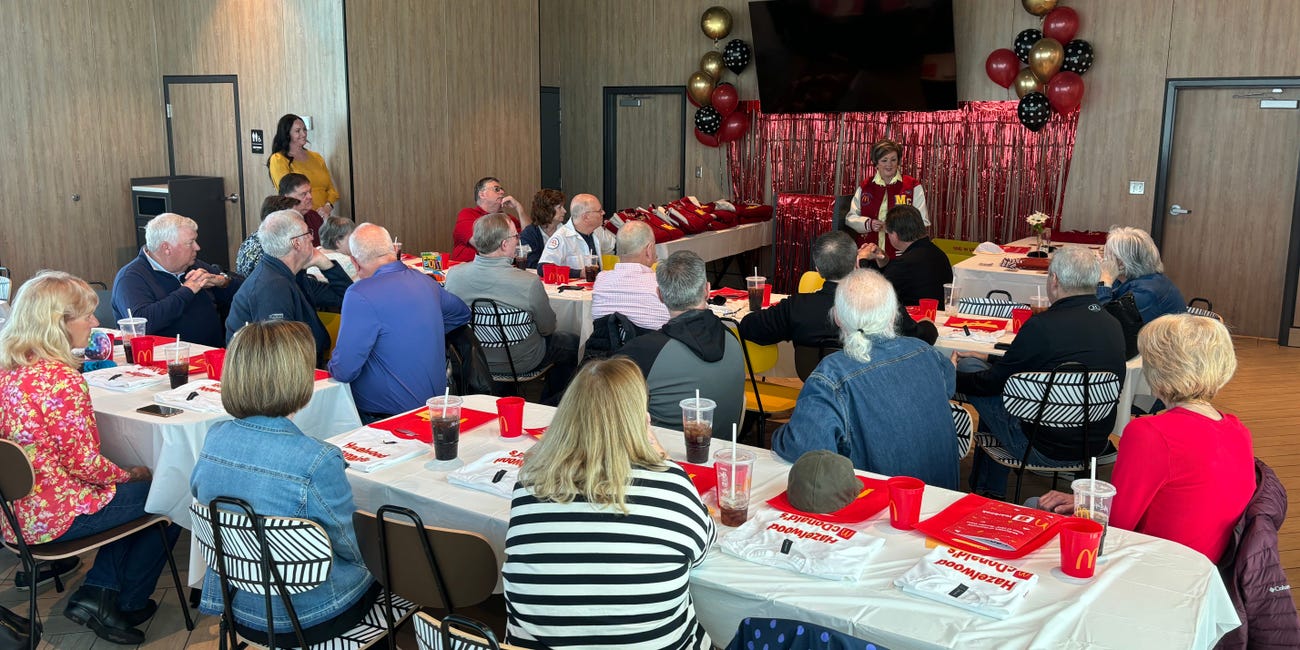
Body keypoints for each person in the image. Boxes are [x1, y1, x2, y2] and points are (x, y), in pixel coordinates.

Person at [1, 271, 174, 645]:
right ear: (58, 324)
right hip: (55, 514)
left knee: (136, 497)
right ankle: (118, 599)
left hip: (15, 512)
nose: (96, 324)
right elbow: (88, 467)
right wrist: (133, 473)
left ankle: (100, 591)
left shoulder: (9, 368)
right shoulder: (59, 379)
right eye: (87, 316)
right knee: (168, 496)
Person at [503, 357, 715, 650]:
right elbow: (702, 551)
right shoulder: (673, 485)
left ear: (566, 414)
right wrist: (662, 461)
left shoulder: (529, 483)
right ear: (642, 419)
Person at [191, 320, 377, 646]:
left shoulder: (213, 439)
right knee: (396, 565)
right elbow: (353, 547)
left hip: (237, 607)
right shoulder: (316, 460)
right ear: (299, 378)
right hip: (312, 616)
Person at [1035, 314, 1253, 562]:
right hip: (1203, 567)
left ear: (1159, 369)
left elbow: (1117, 524)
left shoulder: (1151, 433)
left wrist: (1086, 506)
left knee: (1035, 506)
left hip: (1152, 566)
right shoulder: (1238, 431)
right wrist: (1084, 501)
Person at [954, 246, 1127, 499]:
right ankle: (986, 487)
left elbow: (992, 384)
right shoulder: (1112, 324)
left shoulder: (1042, 326)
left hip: (1038, 445)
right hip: (1092, 444)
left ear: (1054, 280)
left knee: (974, 372)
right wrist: (991, 357)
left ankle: (988, 491)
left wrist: (949, 376)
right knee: (997, 384)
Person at [770, 269, 958, 489]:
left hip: (882, 510)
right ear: (893, 315)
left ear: (838, 318)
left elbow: (804, 448)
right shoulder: (925, 351)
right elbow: (948, 386)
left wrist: (779, 434)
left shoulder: (832, 374)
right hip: (943, 500)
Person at [329, 223, 470, 421]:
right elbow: (462, 313)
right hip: (435, 409)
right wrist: (424, 329)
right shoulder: (425, 282)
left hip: (385, 418)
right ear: (394, 251)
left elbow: (344, 370)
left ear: (355, 262)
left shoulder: (359, 294)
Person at [443, 213, 578, 402]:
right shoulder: (528, 282)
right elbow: (548, 328)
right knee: (572, 343)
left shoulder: (454, 276)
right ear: (504, 245)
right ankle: (552, 405)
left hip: (474, 360)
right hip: (521, 360)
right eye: (516, 237)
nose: (518, 240)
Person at [620, 250, 744, 437]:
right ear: (707, 290)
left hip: (663, 457)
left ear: (659, 295)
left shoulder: (643, 352)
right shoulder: (733, 339)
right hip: (723, 453)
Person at [740, 230, 937, 348]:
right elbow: (920, 339)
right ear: (856, 263)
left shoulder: (797, 307)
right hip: (868, 398)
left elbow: (749, 327)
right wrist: (928, 325)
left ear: (818, 270)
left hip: (815, 395)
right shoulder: (881, 305)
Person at [225, 210, 352, 367]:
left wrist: (326, 264)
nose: (313, 237)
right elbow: (280, 354)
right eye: (308, 233)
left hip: (306, 366)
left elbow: (347, 297)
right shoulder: (272, 286)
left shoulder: (291, 276)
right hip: (286, 377)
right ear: (296, 243)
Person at [111, 212, 240, 348]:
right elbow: (143, 325)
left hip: (211, 356)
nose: (197, 247)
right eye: (190, 243)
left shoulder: (194, 266)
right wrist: (187, 290)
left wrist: (222, 281)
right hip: (164, 363)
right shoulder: (131, 278)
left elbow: (246, 293)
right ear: (166, 248)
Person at [844, 139, 929, 257]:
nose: (889, 164)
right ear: (876, 163)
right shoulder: (865, 186)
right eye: (884, 160)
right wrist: (869, 224)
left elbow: (923, 222)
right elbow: (850, 218)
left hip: (901, 255)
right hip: (869, 254)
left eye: (893, 160)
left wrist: (894, 228)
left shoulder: (912, 186)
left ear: (898, 161)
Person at [858, 204, 952, 305]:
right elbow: (896, 275)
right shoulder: (938, 253)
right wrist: (884, 259)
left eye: (888, 233)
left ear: (895, 235)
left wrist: (862, 259)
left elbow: (871, 293)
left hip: (916, 317)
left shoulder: (905, 263)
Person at [1097, 226, 1186, 323]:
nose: (1102, 260)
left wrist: (1105, 278)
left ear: (1121, 263)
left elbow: (1105, 322)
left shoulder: (1145, 293)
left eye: (1106, 255)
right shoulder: (1135, 278)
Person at [591, 220, 669, 330]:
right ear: (649, 250)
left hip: (608, 346)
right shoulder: (662, 283)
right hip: (651, 346)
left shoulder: (601, 280)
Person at [267, 113, 339, 217]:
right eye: (297, 131)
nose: (304, 134)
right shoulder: (278, 160)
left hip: (323, 218)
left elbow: (332, 190)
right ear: (287, 135)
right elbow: (287, 195)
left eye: (304, 129)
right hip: (299, 218)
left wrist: (327, 207)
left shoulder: (317, 157)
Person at [451, 177, 531, 262]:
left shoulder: (508, 218)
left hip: (504, 269)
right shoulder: (468, 214)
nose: (502, 192)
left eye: (502, 189)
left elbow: (529, 240)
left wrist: (519, 208)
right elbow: (484, 246)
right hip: (470, 268)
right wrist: (512, 245)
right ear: (482, 194)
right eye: (497, 189)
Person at [537, 193, 616, 276]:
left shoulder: (597, 230)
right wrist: (578, 273)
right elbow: (543, 268)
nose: (603, 213)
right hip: (572, 288)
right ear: (586, 217)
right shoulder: (562, 237)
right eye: (599, 211)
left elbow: (614, 247)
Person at [236, 195, 299, 277]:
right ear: (277, 220)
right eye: (295, 217)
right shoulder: (271, 248)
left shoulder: (255, 236)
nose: (300, 221)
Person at [521, 189, 566, 269]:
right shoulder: (529, 234)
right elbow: (531, 263)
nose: (565, 211)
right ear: (547, 210)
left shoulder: (568, 232)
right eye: (560, 207)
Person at [307, 216, 360, 282]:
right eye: (351, 237)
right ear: (338, 242)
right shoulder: (349, 262)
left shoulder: (312, 254)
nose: (355, 241)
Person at [278, 172, 324, 246]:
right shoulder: (278, 223)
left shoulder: (314, 216)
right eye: (303, 194)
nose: (310, 197)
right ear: (288, 198)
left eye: (310, 192)